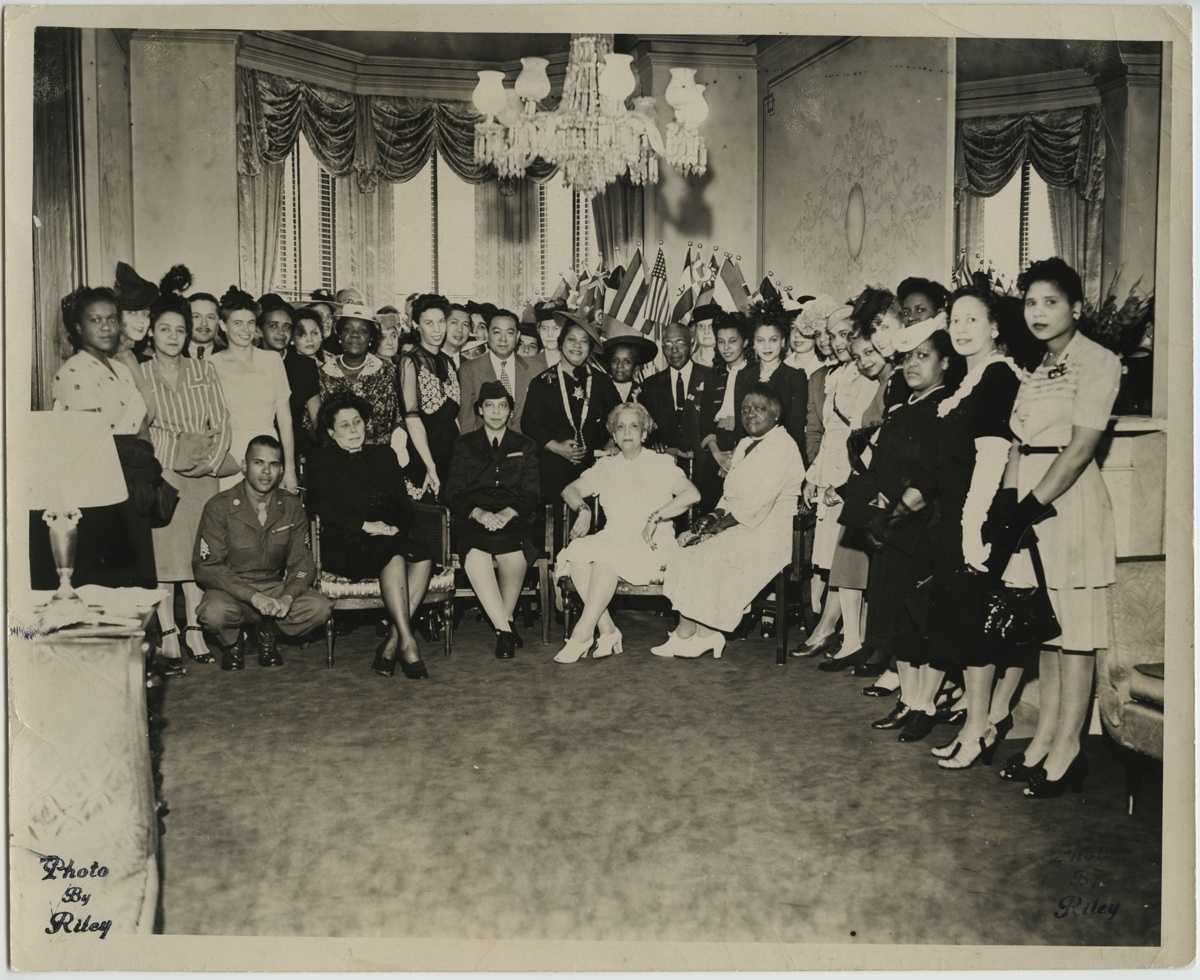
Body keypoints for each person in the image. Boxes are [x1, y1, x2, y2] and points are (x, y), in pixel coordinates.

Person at [989, 258, 1120, 797]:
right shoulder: (1040, 365)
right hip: (1030, 501)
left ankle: (1070, 748)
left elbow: (1082, 445)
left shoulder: (1100, 361)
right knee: (1042, 623)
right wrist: (1007, 500)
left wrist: (1033, 504)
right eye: (1030, 303)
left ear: (1076, 308)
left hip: (1069, 502)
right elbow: (1022, 440)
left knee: (1076, 629)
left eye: (1050, 302)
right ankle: (1042, 739)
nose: (1038, 313)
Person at [913, 285, 1029, 770]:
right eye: (955, 321)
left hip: (976, 516)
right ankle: (979, 723)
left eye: (971, 321)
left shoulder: (998, 376)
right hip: (956, 514)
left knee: (979, 626)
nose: (960, 330)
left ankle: (979, 727)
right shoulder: (970, 377)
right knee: (967, 625)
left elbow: (992, 455)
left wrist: (971, 527)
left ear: (995, 327)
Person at [855, 322, 961, 740]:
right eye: (907, 357)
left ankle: (925, 703)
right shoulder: (902, 408)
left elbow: (931, 477)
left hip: (924, 528)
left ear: (945, 362)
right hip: (893, 527)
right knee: (896, 614)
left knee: (924, 619)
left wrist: (893, 513)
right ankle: (909, 698)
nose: (913, 365)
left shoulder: (943, 408)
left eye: (924, 356)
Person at [657, 384, 806, 659]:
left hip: (768, 534)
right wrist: (712, 517)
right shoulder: (746, 445)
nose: (750, 415)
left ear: (776, 415)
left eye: (759, 409)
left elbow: (758, 504)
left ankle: (702, 633)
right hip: (741, 527)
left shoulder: (783, 447)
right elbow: (730, 496)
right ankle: (693, 632)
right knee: (688, 551)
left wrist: (715, 529)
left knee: (708, 555)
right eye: (745, 410)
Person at [41, 286, 167, 591]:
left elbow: (141, 422)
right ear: (78, 327)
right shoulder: (73, 373)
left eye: (111, 319)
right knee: (106, 584)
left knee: (134, 584)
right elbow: (84, 443)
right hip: (99, 491)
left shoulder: (122, 369)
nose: (106, 327)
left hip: (131, 487)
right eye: (96, 320)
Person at [554, 402, 700, 663]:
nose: (627, 432)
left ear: (644, 433)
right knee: (578, 555)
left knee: (605, 559)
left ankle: (582, 632)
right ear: (613, 434)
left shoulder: (661, 463)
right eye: (620, 427)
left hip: (651, 542)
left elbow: (692, 494)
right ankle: (606, 629)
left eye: (634, 426)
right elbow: (569, 490)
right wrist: (584, 510)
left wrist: (657, 516)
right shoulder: (607, 466)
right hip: (615, 536)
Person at [135, 293, 234, 672]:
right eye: (165, 329)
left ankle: (194, 629)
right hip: (162, 474)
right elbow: (140, 427)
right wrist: (172, 454)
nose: (174, 337)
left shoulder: (203, 370)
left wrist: (207, 463)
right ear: (152, 333)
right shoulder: (140, 373)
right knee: (164, 558)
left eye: (180, 329)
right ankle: (169, 632)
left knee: (194, 557)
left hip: (201, 476)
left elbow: (222, 422)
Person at [305, 392, 435, 679]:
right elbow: (321, 508)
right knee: (393, 553)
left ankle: (392, 643)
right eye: (345, 425)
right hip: (345, 541)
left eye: (358, 422)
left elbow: (403, 504)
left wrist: (393, 526)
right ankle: (408, 643)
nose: (354, 430)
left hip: (386, 536)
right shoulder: (321, 460)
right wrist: (367, 525)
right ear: (330, 431)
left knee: (424, 552)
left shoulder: (383, 455)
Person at [193, 435, 330, 670]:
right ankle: (232, 641)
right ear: (244, 466)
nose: (266, 471)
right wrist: (253, 597)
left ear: (281, 470)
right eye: (258, 463)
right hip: (232, 589)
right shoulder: (219, 506)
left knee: (320, 607)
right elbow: (208, 567)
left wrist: (287, 597)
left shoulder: (291, 506)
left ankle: (269, 630)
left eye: (274, 464)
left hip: (273, 587)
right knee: (213, 612)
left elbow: (303, 563)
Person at [791, 311, 872, 656]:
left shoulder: (864, 375)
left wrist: (845, 481)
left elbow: (862, 433)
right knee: (837, 561)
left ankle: (849, 637)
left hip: (852, 472)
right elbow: (826, 435)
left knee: (850, 560)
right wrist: (811, 476)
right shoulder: (834, 376)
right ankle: (843, 634)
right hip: (830, 469)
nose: (837, 343)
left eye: (844, 335)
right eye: (830, 336)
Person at [445, 381, 542, 659]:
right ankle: (506, 629)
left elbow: (532, 492)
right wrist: (480, 513)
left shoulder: (525, 445)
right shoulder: (465, 445)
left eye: (503, 406)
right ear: (479, 410)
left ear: (511, 411)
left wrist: (506, 514)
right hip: (475, 520)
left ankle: (502, 627)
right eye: (490, 406)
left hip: (514, 519)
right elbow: (452, 492)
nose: (496, 412)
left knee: (515, 556)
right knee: (477, 555)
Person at [521, 313, 622, 518]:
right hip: (554, 467)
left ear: (591, 348)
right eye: (571, 340)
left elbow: (621, 416)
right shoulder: (542, 382)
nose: (577, 346)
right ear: (560, 343)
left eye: (584, 342)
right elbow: (529, 423)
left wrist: (612, 444)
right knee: (558, 527)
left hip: (596, 467)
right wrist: (557, 447)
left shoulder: (602, 381)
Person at [210, 286, 298, 493]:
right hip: (230, 454)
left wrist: (290, 468)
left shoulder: (272, 360)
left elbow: (285, 419)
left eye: (250, 323)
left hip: (269, 450)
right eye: (237, 323)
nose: (245, 330)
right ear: (223, 325)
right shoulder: (212, 364)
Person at [400, 294, 461, 500]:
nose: (437, 329)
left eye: (441, 321)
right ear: (416, 325)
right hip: (422, 454)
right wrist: (430, 464)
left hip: (451, 454)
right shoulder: (409, 363)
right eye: (429, 323)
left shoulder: (448, 362)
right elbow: (412, 418)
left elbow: (453, 418)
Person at [316, 304, 401, 447]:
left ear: (371, 338)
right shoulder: (323, 374)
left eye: (363, 330)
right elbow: (313, 423)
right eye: (348, 329)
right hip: (336, 459)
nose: (355, 335)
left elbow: (400, 417)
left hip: (381, 456)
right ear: (339, 335)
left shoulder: (388, 371)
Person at [457, 307, 544, 436]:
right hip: (485, 450)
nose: (503, 339)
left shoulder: (536, 369)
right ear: (487, 333)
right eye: (497, 332)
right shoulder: (469, 370)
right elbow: (466, 421)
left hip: (528, 449)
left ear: (517, 336)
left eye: (509, 333)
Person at [732, 315, 809, 456]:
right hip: (749, 452)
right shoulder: (743, 376)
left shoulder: (796, 377)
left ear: (783, 342)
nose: (767, 346)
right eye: (760, 340)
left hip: (783, 454)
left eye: (773, 340)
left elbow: (795, 428)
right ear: (754, 344)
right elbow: (740, 425)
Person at [695, 312, 750, 511]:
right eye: (721, 342)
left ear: (745, 342)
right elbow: (705, 421)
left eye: (732, 341)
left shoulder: (756, 374)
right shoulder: (713, 376)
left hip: (746, 449)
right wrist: (717, 454)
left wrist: (734, 458)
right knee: (710, 506)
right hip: (717, 448)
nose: (726, 348)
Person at [639, 321, 712, 459]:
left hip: (703, 463)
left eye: (680, 343)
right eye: (668, 344)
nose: (674, 350)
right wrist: (654, 442)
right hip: (666, 466)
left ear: (691, 343)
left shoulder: (710, 377)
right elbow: (646, 428)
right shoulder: (650, 385)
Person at [283, 308, 323, 466]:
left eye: (314, 333)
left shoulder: (332, 364)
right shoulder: (287, 368)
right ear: (292, 339)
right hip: (299, 441)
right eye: (302, 334)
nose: (309, 339)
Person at [112, 261, 158, 369]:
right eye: (132, 313)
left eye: (145, 314)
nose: (141, 321)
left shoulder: (134, 354)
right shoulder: (115, 357)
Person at [601, 315, 657, 404]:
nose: (620, 365)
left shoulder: (643, 394)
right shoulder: (600, 390)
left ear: (636, 368)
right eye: (615, 360)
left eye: (627, 362)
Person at [188, 291, 225, 359]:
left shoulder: (230, 355)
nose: (204, 323)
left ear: (218, 321)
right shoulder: (171, 353)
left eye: (210, 317)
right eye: (196, 316)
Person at [690, 302, 721, 368]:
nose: (706, 332)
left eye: (711, 326)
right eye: (701, 326)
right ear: (695, 330)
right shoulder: (689, 362)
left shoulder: (731, 360)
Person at [444, 303, 472, 373]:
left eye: (465, 324)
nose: (460, 329)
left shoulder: (472, 364)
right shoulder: (428, 361)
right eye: (454, 322)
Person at [535, 301, 563, 367]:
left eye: (555, 328)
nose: (550, 334)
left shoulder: (571, 361)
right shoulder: (530, 362)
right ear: (538, 330)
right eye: (544, 328)